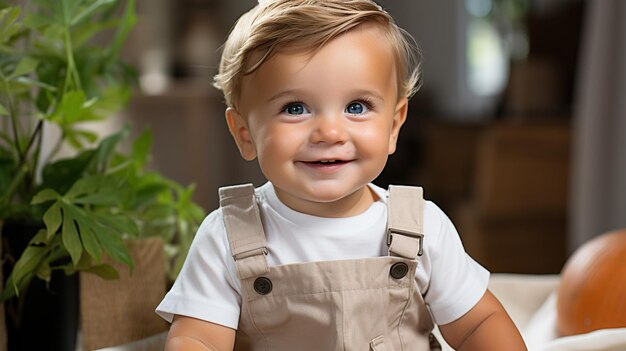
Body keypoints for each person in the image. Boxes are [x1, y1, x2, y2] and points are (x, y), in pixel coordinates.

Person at [156, 0, 527, 350]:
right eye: (295, 108)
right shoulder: (227, 235)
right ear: (245, 134)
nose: (330, 133)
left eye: (356, 106)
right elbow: (200, 339)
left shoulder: (422, 227)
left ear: (394, 125)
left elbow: (479, 324)